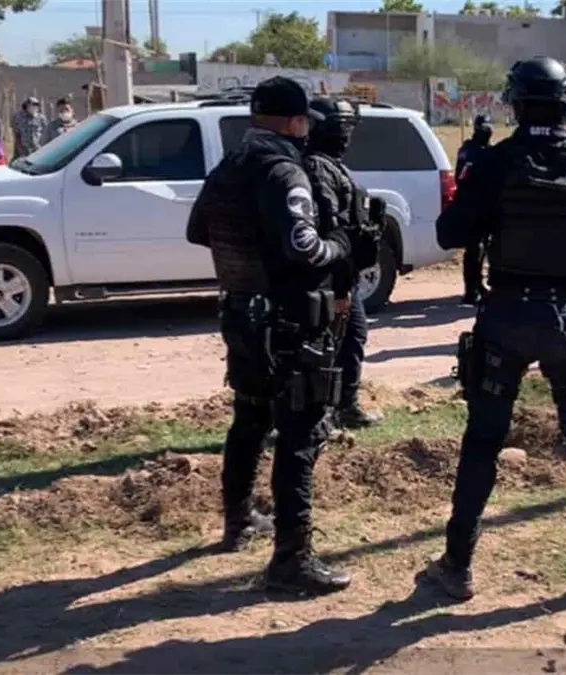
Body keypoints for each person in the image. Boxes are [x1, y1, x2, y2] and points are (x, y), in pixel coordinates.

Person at [428, 56, 566, 601]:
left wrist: (490, 219)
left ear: (516, 103)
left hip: (505, 315)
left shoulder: (495, 162)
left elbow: (449, 234)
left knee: (483, 442)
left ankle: (457, 565)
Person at [185, 76, 352, 594]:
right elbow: (304, 247)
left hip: (241, 315)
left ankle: (237, 521)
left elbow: (196, 230)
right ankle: (291, 560)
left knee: (250, 418)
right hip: (286, 322)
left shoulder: (231, 164)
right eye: (305, 122)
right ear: (296, 122)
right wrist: (339, 246)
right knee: (300, 434)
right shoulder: (284, 169)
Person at [304, 96, 386, 431]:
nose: (346, 134)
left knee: (352, 338)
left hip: (344, 275)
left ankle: (345, 406)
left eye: (349, 126)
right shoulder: (317, 167)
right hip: (328, 278)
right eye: (342, 126)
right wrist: (339, 288)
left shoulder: (331, 164)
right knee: (330, 345)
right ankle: (322, 414)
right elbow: (330, 228)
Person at [456, 115, 494, 306]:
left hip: (487, 207)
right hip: (471, 206)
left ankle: (479, 285)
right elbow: (461, 178)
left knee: (485, 248)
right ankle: (471, 290)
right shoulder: (469, 151)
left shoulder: (488, 150)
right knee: (474, 249)